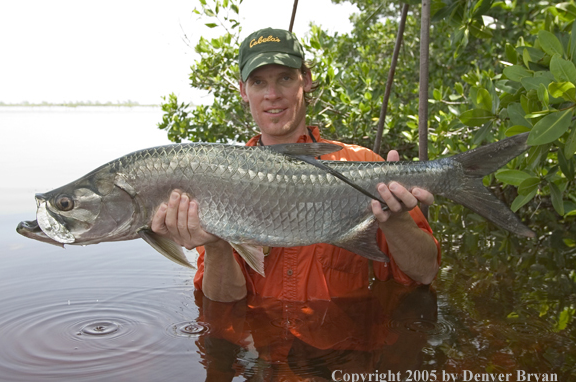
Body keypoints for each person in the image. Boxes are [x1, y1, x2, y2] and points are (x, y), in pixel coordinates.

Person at [151, 28, 440, 302]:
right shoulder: (221, 179)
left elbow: (425, 273)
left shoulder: (363, 165)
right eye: (258, 82)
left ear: (306, 80)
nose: (272, 94)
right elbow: (224, 302)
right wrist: (216, 245)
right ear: (243, 90)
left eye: (285, 79)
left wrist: (398, 221)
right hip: (264, 350)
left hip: (344, 349)